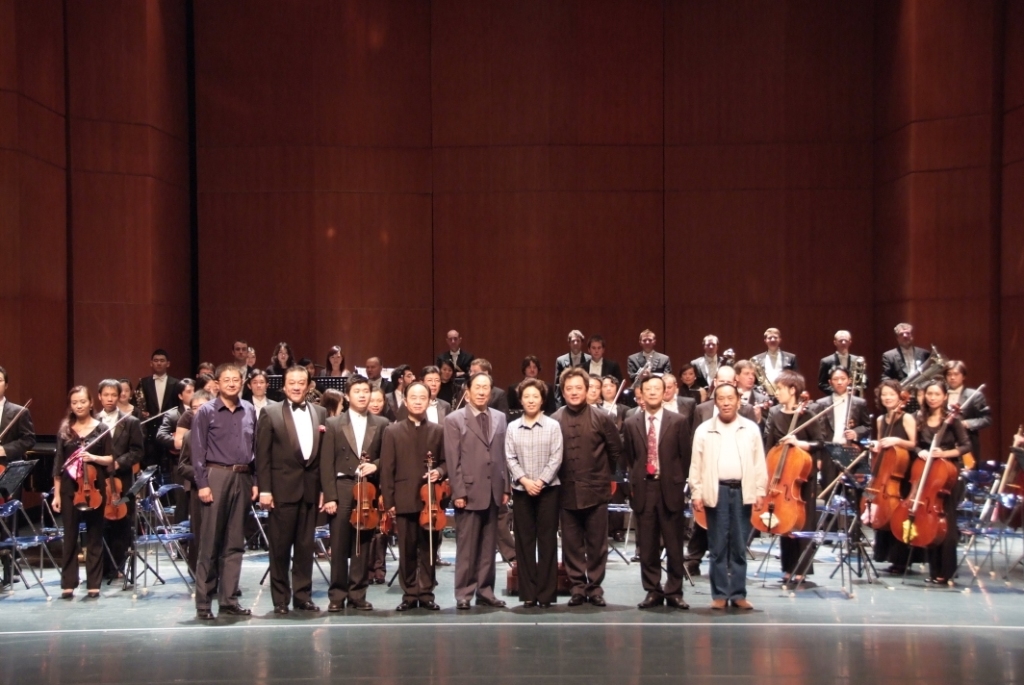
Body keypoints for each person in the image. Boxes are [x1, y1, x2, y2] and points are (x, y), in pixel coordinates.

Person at [255, 366, 327, 615]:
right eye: (292, 382)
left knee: (306, 548)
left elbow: (322, 457)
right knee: (280, 548)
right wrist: (265, 489)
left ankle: (302, 596)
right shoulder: (270, 412)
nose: (297, 387)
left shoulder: (320, 412)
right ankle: (280, 600)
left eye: (301, 382)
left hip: (310, 490)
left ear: (309, 385)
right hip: (281, 490)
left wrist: (323, 489)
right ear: (284, 386)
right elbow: (262, 456)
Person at [690, 383, 767, 610]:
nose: (726, 403)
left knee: (739, 545)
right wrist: (696, 492)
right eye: (721, 399)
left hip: (743, 491)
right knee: (718, 546)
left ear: (738, 401)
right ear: (715, 402)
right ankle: (720, 594)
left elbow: (759, 462)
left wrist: (760, 490)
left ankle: (738, 593)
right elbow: (696, 465)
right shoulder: (704, 430)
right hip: (716, 491)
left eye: (730, 398)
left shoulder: (750, 428)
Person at [190, 364, 258, 620]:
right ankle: (204, 603)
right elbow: (197, 450)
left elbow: (255, 448)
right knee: (210, 542)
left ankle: (229, 600)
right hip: (216, 476)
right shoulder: (206, 411)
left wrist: (255, 481)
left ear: (242, 382)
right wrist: (202, 484)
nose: (231, 383)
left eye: (235, 379)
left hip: (243, 476)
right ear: (217, 384)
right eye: (226, 379)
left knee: (235, 542)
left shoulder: (249, 409)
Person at [552, 368, 623, 606]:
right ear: (563, 392)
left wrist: (603, 475)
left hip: (596, 490)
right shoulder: (555, 420)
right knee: (571, 544)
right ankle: (577, 588)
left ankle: (595, 588)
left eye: (578, 388)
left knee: (596, 544)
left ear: (587, 390)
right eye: (569, 388)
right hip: (565, 491)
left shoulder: (602, 417)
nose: (574, 392)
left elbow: (616, 451)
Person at [320, 375, 390, 611]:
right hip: (342, 487)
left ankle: (358, 594)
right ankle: (337, 596)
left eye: (365, 391)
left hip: (368, 488)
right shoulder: (333, 424)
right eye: (357, 391)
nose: (362, 395)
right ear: (348, 396)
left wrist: (375, 466)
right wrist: (330, 496)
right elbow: (326, 463)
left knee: (363, 542)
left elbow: (387, 456)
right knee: (339, 543)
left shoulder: (381, 423)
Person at [622, 376, 692, 610]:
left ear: (665, 393)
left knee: (674, 544)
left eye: (657, 389)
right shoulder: (631, 423)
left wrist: (677, 481)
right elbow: (630, 457)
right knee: (647, 544)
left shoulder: (679, 421)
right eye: (648, 389)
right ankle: (652, 590)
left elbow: (685, 456)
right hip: (644, 488)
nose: (652, 392)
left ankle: (674, 591)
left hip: (670, 488)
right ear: (641, 394)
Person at [379, 382, 446, 611]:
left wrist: (439, 471)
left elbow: (446, 462)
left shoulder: (438, 431)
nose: (418, 401)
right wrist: (389, 502)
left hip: (431, 501)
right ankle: (409, 594)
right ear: (405, 402)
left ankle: (426, 593)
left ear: (429, 401)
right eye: (413, 398)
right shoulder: (392, 431)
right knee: (406, 549)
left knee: (429, 548)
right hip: (404, 498)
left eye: (422, 397)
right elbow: (387, 469)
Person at [445, 372, 509, 609]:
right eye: (477, 387)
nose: (482, 392)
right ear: (468, 392)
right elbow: (453, 460)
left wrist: (506, 487)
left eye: (486, 388)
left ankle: (485, 591)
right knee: (467, 547)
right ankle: (464, 593)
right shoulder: (454, 419)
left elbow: (504, 454)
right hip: (468, 491)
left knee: (489, 547)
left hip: (494, 490)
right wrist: (458, 492)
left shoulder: (500, 417)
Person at [52, 386, 114, 599]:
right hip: (70, 488)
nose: (79, 406)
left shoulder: (101, 428)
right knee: (70, 536)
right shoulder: (65, 430)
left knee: (94, 535)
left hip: (94, 488)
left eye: (82, 401)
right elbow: (58, 464)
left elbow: (110, 459)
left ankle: (93, 583)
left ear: (90, 403)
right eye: (74, 402)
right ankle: (68, 583)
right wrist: (57, 495)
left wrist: (93, 458)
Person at [505, 378, 563, 608]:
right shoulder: (512, 427)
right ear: (520, 400)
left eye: (535, 397)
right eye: (526, 396)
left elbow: (556, 457)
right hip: (522, 491)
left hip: (548, 490)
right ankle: (528, 593)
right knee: (524, 542)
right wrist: (525, 481)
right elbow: (510, 458)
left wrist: (540, 481)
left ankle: (546, 594)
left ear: (542, 400)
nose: (530, 400)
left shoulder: (553, 426)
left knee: (547, 542)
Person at [763, 370, 822, 585]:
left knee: (804, 522)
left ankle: (802, 569)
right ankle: (787, 568)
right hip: (782, 475)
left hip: (802, 475)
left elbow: (820, 443)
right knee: (784, 520)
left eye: (780, 388)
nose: (776, 392)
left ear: (793, 390)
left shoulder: (808, 413)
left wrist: (799, 443)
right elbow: (770, 444)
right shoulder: (775, 414)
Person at [914, 379, 971, 585]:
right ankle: (934, 569)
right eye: (929, 394)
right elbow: (915, 444)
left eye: (937, 394)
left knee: (947, 522)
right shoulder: (920, 418)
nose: (932, 398)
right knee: (930, 521)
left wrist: (944, 453)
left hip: (947, 475)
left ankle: (946, 571)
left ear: (945, 396)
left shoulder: (952, 419)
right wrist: (919, 451)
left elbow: (965, 446)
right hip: (928, 473)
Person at [868, 380, 920, 574]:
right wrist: (876, 445)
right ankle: (888, 556)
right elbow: (882, 444)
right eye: (884, 394)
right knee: (886, 512)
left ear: (899, 396)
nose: (887, 398)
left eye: (891, 394)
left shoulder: (907, 418)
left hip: (903, 472)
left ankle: (902, 560)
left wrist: (897, 440)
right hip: (887, 472)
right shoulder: (881, 419)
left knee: (900, 515)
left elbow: (913, 443)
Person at [96, 379, 144, 579]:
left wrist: (118, 463)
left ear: (119, 396)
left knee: (122, 524)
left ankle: (118, 567)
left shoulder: (130, 422)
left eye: (113, 395)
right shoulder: (92, 420)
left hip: (122, 481)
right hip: (97, 481)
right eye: (106, 395)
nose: (110, 398)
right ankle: (99, 568)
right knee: (98, 524)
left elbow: (137, 451)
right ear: (99, 397)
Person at [177, 389, 214, 573]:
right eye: (194, 408)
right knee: (199, 532)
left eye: (202, 406)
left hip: (221, 486)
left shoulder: (221, 433)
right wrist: (203, 475)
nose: (198, 411)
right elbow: (182, 466)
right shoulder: (189, 436)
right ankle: (197, 572)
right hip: (197, 489)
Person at [817, 366, 872, 487]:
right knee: (828, 488)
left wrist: (856, 433)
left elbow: (867, 426)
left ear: (849, 380)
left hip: (849, 450)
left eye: (843, 378)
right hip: (828, 452)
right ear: (830, 382)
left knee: (851, 490)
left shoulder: (859, 403)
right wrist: (819, 458)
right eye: (836, 379)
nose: (839, 382)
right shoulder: (821, 404)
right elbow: (817, 433)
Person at [137, 348, 179, 468]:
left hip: (170, 429)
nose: (159, 363)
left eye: (162, 360)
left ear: (168, 363)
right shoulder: (143, 382)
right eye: (156, 360)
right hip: (150, 429)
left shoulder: (176, 383)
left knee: (169, 464)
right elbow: (138, 403)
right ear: (151, 363)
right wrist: (142, 413)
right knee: (150, 463)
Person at [943, 360, 991, 463]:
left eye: (956, 374)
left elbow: (987, 419)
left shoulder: (974, 395)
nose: (952, 377)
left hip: (966, 445)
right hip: (945, 446)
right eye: (949, 374)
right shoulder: (941, 395)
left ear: (963, 376)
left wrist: (966, 423)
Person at [0, 365, 36, 468]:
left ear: (6, 385)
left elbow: (29, 440)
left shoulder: (19, 412)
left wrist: (5, 450)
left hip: (6, 467)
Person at [817, 330, 866, 396]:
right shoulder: (826, 361)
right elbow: (821, 384)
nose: (843, 342)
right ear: (835, 342)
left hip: (854, 398)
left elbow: (864, 382)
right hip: (834, 398)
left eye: (846, 340)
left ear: (850, 342)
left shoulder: (858, 360)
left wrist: (855, 391)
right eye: (840, 340)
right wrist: (838, 392)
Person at [751, 328, 797, 395]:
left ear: (780, 339)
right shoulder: (756, 359)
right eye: (770, 338)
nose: (773, 340)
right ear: (765, 341)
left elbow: (795, 379)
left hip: (785, 395)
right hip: (763, 396)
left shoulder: (791, 358)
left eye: (775, 337)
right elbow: (754, 381)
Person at [554, 330, 591, 406]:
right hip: (566, 401)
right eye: (573, 341)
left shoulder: (589, 359)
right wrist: (559, 406)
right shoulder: (560, 360)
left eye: (578, 341)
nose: (575, 343)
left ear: (582, 343)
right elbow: (558, 386)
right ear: (569, 343)